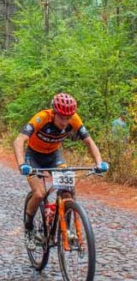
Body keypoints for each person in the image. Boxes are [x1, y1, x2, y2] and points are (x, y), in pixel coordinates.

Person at [13, 92, 109, 234]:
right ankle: (28, 223)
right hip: (33, 156)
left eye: (68, 117)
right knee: (40, 194)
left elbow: (89, 141)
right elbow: (19, 140)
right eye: (61, 117)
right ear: (54, 113)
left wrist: (99, 162)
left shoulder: (74, 119)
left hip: (53, 155)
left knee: (68, 190)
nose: (65, 122)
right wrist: (22, 164)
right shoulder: (42, 118)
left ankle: (66, 228)